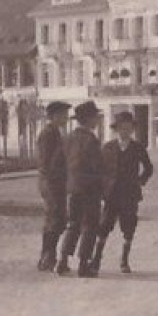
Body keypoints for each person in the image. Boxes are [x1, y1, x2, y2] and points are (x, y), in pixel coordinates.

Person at [94, 112, 155, 274]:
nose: (125, 131)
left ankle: (124, 260)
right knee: (104, 226)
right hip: (111, 195)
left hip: (129, 194)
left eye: (129, 128)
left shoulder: (137, 148)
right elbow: (99, 170)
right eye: (122, 128)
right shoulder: (108, 148)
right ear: (117, 129)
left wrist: (140, 181)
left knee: (129, 227)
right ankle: (96, 259)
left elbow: (149, 168)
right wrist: (102, 188)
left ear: (132, 129)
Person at [56, 100, 105, 278]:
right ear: (89, 119)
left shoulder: (67, 138)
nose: (97, 121)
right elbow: (97, 167)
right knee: (90, 226)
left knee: (73, 224)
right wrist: (103, 189)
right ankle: (84, 264)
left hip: (73, 189)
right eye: (95, 118)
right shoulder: (91, 140)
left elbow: (59, 164)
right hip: (90, 189)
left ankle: (62, 261)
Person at [34, 100, 70, 272]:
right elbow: (45, 162)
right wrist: (52, 181)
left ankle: (48, 256)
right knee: (55, 218)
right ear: (54, 116)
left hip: (55, 182)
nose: (66, 117)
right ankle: (47, 257)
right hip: (50, 182)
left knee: (57, 219)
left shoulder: (55, 132)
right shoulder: (48, 134)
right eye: (63, 114)